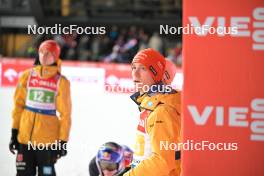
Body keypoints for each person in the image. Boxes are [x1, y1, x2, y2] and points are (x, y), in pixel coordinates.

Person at [9, 40, 72, 176]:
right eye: (41, 52)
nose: (44, 56)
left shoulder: (62, 82)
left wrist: (62, 142)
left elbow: (65, 115)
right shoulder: (27, 76)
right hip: (24, 139)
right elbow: (18, 107)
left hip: (47, 142)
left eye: (48, 53)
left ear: (56, 56)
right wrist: (14, 132)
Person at [123, 48, 181, 176]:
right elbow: (146, 151)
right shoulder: (149, 104)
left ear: (156, 74)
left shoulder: (162, 111)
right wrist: (130, 169)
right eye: (133, 68)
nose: (135, 74)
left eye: (143, 68)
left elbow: (162, 161)